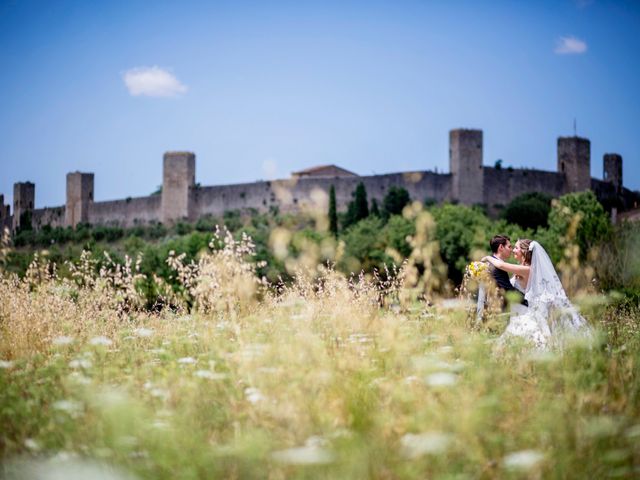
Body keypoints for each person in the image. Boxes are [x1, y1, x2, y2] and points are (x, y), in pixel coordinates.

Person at [482, 239, 592, 350]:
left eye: (516, 248)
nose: (513, 250)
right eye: (512, 247)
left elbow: (500, 264)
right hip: (518, 310)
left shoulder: (528, 269)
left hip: (525, 310)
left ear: (524, 252)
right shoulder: (522, 269)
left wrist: (487, 258)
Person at [487, 235, 527, 309]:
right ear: (501, 247)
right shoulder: (496, 267)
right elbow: (508, 290)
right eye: (509, 247)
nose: (512, 250)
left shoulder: (492, 263)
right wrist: (527, 301)